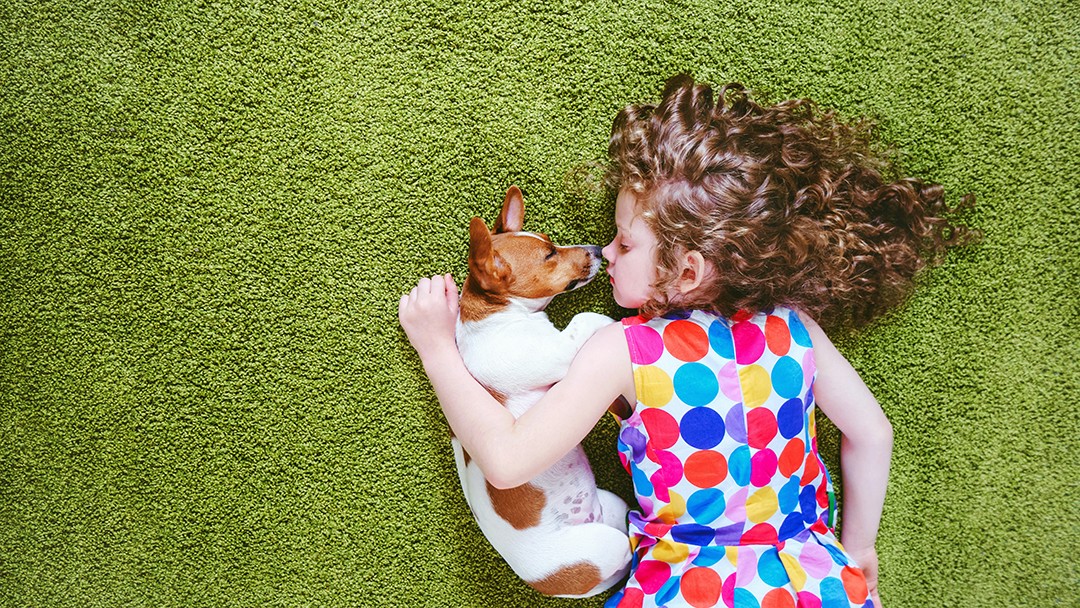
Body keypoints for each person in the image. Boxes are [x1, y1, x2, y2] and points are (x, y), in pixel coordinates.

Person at [398, 74, 973, 608]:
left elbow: (505, 462)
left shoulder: (622, 350)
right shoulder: (794, 327)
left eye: (624, 243)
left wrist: (438, 350)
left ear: (688, 271)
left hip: (691, 585)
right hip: (811, 579)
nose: (606, 251)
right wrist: (860, 545)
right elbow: (872, 432)